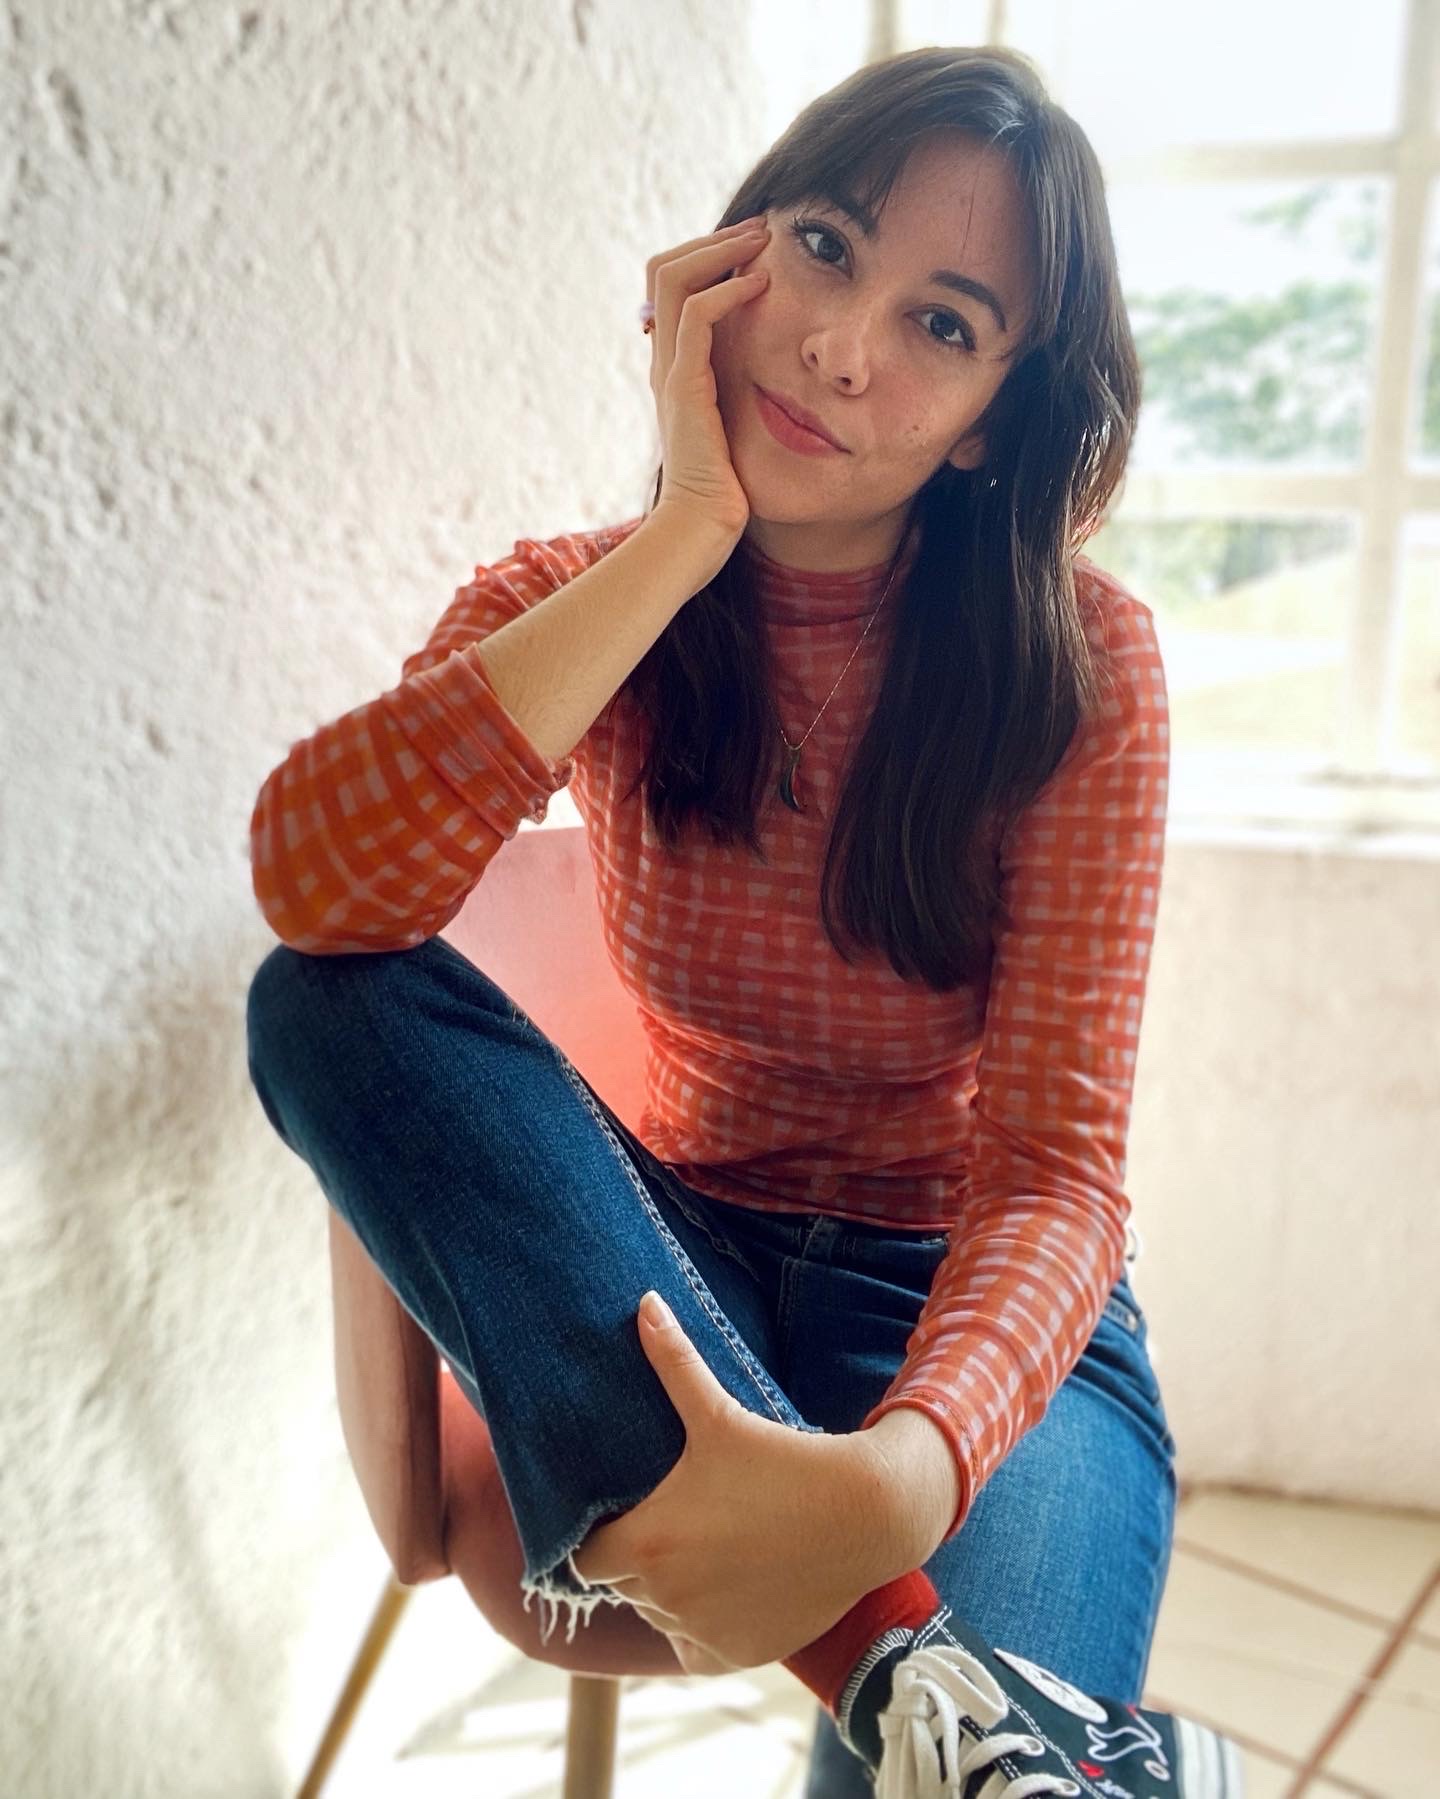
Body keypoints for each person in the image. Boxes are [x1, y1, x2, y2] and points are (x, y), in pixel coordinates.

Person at [245, 44, 1245, 1799]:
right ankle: (952, 1698)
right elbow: (316, 893)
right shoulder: (580, 605)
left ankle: (946, 1686)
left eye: (945, 325)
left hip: (966, 1311)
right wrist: (688, 524)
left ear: (997, 414)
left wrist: (903, 1474)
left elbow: (1057, 1168)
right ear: (730, 260)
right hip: (670, 1262)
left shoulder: (1085, 669)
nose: (844, 347)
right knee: (318, 1005)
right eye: (829, 245)